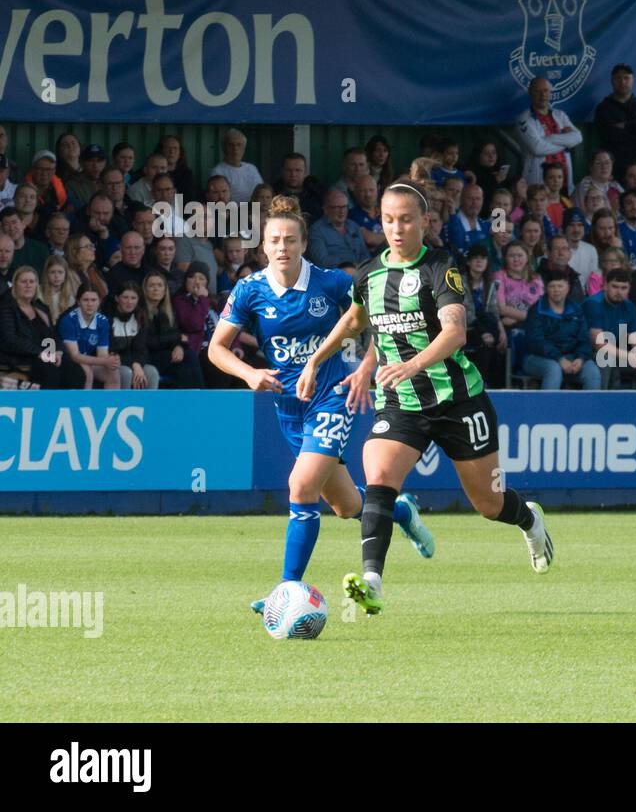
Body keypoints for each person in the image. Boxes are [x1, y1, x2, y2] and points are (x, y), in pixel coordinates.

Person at [300, 181, 557, 615]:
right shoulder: (368, 273)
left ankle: (530, 520)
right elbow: (357, 322)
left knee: (489, 505)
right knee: (379, 475)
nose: (396, 228)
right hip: (401, 401)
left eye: (405, 219)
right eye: (388, 220)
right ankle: (372, 581)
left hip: (459, 400)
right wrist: (319, 361)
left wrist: (412, 365)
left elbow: (455, 331)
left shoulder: (441, 267)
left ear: (424, 222)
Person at [211, 194, 433, 614]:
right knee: (346, 506)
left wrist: (366, 366)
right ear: (263, 245)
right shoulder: (249, 290)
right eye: (274, 240)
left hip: (332, 397)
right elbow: (216, 349)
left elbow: (376, 320)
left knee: (300, 486)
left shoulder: (330, 283)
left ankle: (287, 591)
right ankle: (398, 509)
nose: (282, 248)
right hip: (287, 407)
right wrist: (249, 373)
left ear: (303, 243)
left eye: (290, 240)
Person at [0, 266, 80, 388]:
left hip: (45, 356)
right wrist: (41, 353)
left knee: (75, 371)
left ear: (37, 285)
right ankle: (47, 406)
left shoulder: (40, 307)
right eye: (23, 281)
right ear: (15, 285)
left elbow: (52, 335)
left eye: (32, 282)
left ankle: (67, 406)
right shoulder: (6, 307)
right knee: (49, 371)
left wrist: (58, 351)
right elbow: (10, 340)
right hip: (20, 358)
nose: (28, 285)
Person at [523, 275, 600, 390]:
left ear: (567, 288)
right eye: (552, 286)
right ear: (546, 289)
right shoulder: (536, 310)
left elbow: (584, 339)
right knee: (554, 369)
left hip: (572, 358)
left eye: (560, 286)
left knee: (592, 372)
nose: (556, 290)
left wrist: (581, 359)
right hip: (538, 358)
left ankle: (590, 407)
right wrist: (559, 359)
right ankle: (548, 407)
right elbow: (536, 342)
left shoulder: (576, 309)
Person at [583, 267, 636, 390]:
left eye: (623, 288)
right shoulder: (593, 304)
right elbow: (599, 344)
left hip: (617, 353)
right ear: (605, 286)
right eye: (615, 287)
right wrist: (629, 356)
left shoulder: (630, 307)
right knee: (605, 357)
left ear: (629, 289)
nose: (619, 292)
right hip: (589, 354)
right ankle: (600, 403)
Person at [515, 77, 582, 194]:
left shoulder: (560, 115)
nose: (543, 95)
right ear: (530, 92)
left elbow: (578, 137)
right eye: (538, 91)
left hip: (564, 182)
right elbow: (537, 148)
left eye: (546, 91)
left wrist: (549, 139)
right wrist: (566, 142)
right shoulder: (523, 119)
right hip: (538, 184)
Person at [595, 63, 636, 179]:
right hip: (615, 171)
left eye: (626, 78)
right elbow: (610, 135)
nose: (622, 81)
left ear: (633, 80)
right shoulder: (603, 108)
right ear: (612, 81)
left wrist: (626, 126)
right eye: (618, 78)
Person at [140, 270, 203, 388]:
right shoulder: (140, 312)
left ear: (165, 289)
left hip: (165, 354)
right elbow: (149, 342)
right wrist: (177, 338)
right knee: (189, 357)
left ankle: (195, 400)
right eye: (151, 285)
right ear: (145, 289)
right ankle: (202, 396)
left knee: (185, 366)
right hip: (148, 356)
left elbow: (175, 333)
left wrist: (178, 346)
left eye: (159, 285)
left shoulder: (167, 311)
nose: (156, 289)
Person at [461, 244, 507, 389]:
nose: (479, 262)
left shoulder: (490, 283)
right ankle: (481, 384)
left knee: (500, 342)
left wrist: (502, 331)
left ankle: (495, 385)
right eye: (475, 259)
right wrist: (484, 333)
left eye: (483, 258)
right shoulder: (460, 281)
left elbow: (493, 311)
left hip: (485, 326)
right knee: (485, 343)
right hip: (465, 327)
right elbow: (466, 313)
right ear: (468, 262)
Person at [58, 284, 118, 388]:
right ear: (78, 302)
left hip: (90, 360)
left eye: (94, 300)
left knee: (113, 372)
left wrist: (112, 361)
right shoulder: (68, 321)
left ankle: (111, 404)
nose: (90, 304)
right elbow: (75, 356)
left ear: (99, 301)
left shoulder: (103, 321)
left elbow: (102, 354)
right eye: (85, 300)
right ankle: (86, 404)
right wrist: (105, 361)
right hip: (69, 362)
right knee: (87, 372)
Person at [103, 281, 159, 389]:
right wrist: (134, 364)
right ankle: (123, 404)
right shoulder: (107, 319)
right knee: (126, 373)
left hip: (135, 361)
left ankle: (150, 404)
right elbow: (110, 351)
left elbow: (142, 349)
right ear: (117, 298)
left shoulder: (140, 318)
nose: (129, 302)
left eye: (133, 298)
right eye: (125, 297)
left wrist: (138, 363)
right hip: (113, 363)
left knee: (152, 372)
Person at [307, 190, 370, 269]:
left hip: (362, 273)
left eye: (344, 206)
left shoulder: (353, 226)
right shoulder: (316, 230)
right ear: (325, 209)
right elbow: (321, 261)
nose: (342, 211)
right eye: (337, 207)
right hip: (336, 277)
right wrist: (350, 265)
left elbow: (365, 254)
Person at [209, 128, 264, 203]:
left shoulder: (252, 168)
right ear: (224, 148)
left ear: (244, 148)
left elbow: (263, 192)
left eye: (239, 145)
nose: (235, 148)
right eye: (231, 145)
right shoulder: (218, 171)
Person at [272, 153, 325, 222]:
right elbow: (256, 210)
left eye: (298, 170)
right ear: (282, 171)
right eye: (289, 170)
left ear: (305, 173)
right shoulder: (271, 192)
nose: (293, 174)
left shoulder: (318, 194)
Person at [348, 174, 385, 255]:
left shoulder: (385, 211)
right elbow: (369, 239)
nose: (368, 194)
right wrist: (390, 238)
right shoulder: (352, 215)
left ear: (377, 190)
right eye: (363, 191)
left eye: (371, 190)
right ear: (356, 192)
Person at [563, 207, 599, 287]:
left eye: (580, 225)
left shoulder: (591, 250)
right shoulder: (557, 249)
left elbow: (593, 281)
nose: (576, 230)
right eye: (572, 225)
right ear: (565, 228)